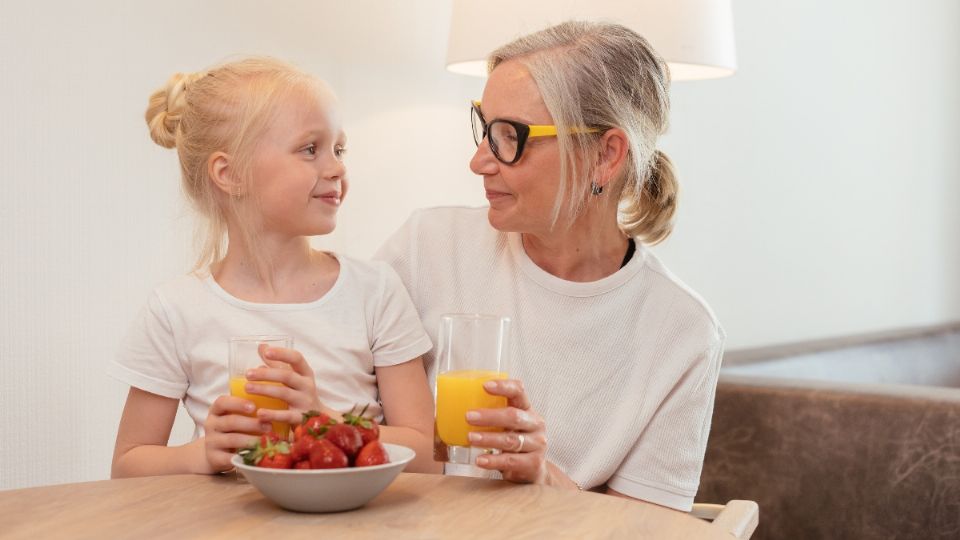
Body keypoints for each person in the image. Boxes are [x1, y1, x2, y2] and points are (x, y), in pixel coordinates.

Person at [375, 21, 723, 511]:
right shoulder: (426, 248)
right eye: (483, 126)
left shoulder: (681, 332)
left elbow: (644, 529)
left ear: (606, 156)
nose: (479, 161)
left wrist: (544, 476)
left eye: (509, 136)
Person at [110, 57, 438, 476]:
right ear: (230, 174)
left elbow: (429, 457)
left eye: (339, 149)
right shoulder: (176, 310)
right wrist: (201, 454)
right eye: (310, 149)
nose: (337, 167)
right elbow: (126, 465)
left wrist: (320, 417)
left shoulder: (375, 290)